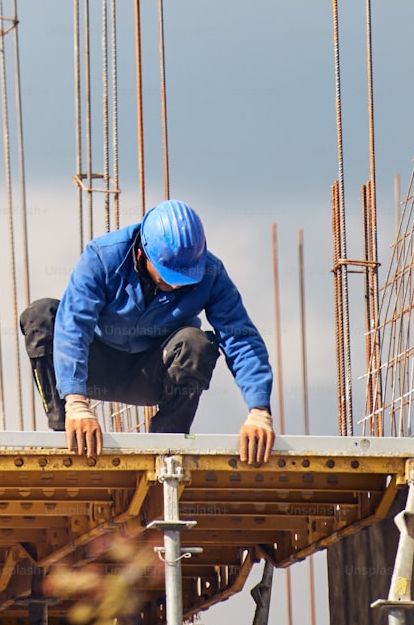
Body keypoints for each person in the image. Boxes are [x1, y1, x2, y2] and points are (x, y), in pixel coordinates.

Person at [19, 199, 276, 464]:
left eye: (184, 278)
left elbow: (240, 338)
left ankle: (166, 446)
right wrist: (76, 403)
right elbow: (74, 326)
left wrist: (259, 409)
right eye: (169, 277)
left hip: (150, 373)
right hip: (93, 367)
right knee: (42, 316)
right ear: (142, 255)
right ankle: (67, 430)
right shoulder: (102, 257)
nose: (177, 286)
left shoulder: (211, 272)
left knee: (196, 344)